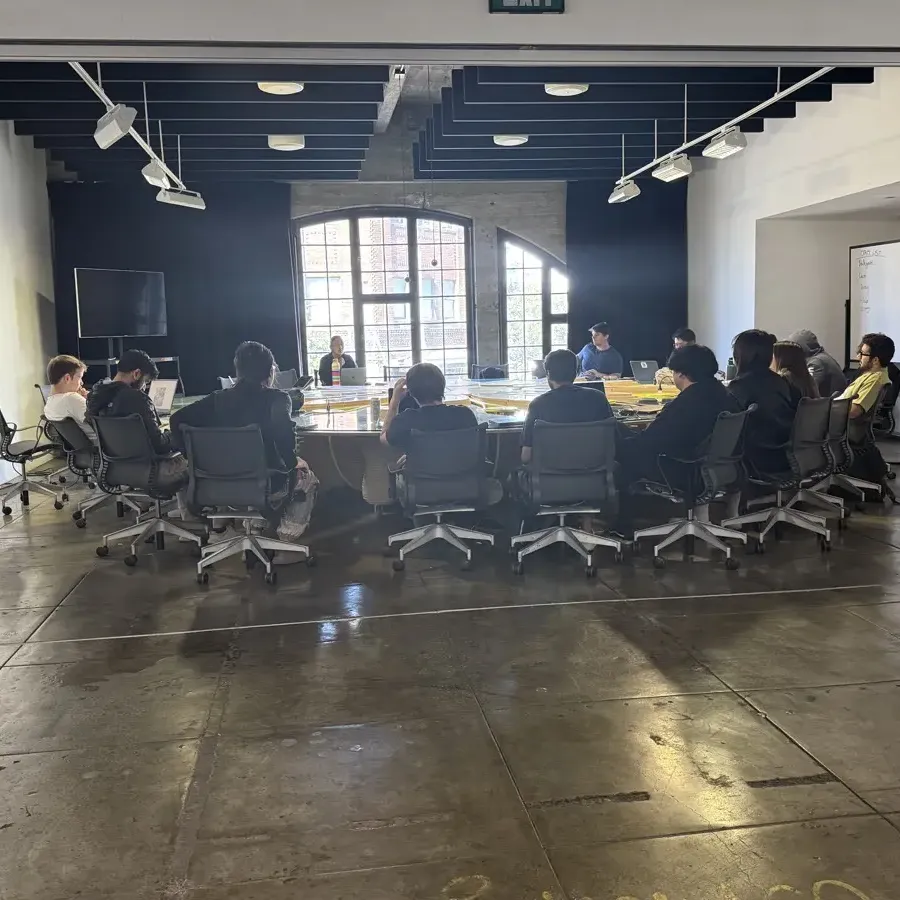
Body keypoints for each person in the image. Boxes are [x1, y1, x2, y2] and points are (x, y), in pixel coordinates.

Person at [171, 341, 308, 527]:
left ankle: (223, 532)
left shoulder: (217, 399)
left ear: (238, 370)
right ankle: (286, 541)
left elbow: (176, 420)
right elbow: (283, 434)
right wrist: (293, 462)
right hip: (265, 482)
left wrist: (193, 460)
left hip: (216, 479)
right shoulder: (278, 399)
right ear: (270, 372)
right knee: (307, 475)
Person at [615, 344, 741, 535]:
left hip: (683, 469)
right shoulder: (724, 394)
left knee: (620, 451)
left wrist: (621, 441)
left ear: (682, 373)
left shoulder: (688, 402)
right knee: (624, 437)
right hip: (716, 467)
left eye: (673, 372)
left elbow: (653, 441)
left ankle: (621, 527)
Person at [381, 362, 503, 505]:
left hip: (421, 489)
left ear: (410, 392)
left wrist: (394, 402)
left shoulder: (407, 420)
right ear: (442, 386)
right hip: (467, 486)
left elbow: (384, 439)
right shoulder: (465, 415)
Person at [86, 349, 187, 489]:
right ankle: (191, 510)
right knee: (195, 462)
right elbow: (159, 446)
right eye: (145, 381)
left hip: (111, 468)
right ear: (136, 374)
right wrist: (174, 435)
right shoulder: (138, 398)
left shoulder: (95, 397)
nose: (144, 387)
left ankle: (144, 503)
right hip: (152, 471)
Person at [520, 349, 613, 465]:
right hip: (595, 476)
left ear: (548, 373)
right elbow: (614, 444)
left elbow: (526, 456)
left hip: (548, 478)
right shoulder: (598, 398)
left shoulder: (538, 404)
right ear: (575, 372)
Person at [727, 330, 800, 474]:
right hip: (784, 454)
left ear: (740, 355)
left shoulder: (739, 387)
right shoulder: (782, 382)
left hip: (754, 459)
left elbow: (726, 427)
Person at [839, 332, 895, 419]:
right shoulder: (869, 374)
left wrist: (827, 407)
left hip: (836, 427)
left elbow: (853, 411)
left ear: (875, 360)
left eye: (862, 354)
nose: (858, 357)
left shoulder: (876, 379)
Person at [43, 354, 94, 438]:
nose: (82, 383)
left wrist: (83, 399)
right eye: (79, 377)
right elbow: (102, 421)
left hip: (82, 448)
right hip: (103, 445)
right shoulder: (71, 398)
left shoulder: (49, 404)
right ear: (67, 378)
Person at [786, 329, 847, 397]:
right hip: (828, 405)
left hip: (826, 406)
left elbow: (807, 390)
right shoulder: (822, 357)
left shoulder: (817, 363)